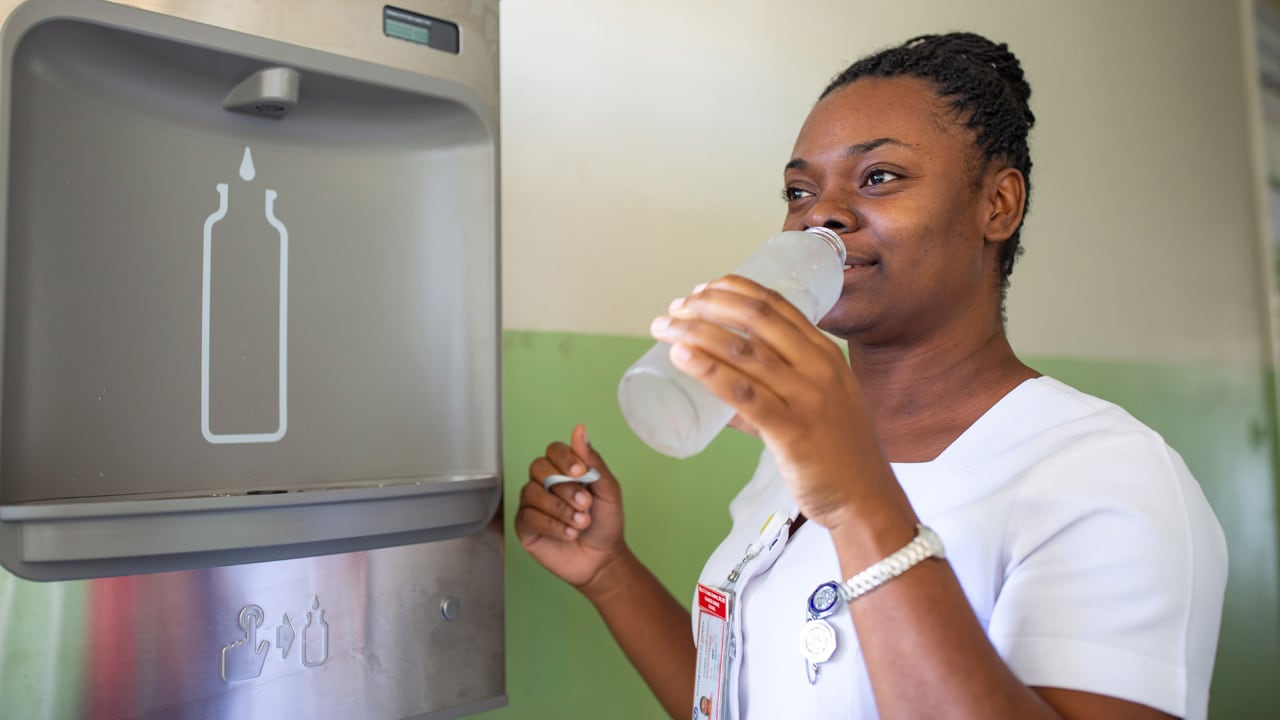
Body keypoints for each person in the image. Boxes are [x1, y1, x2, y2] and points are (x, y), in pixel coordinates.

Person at [515, 32, 1227, 720]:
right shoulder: (790, 457)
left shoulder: (1105, 476)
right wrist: (611, 576)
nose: (820, 213)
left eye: (879, 177)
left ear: (996, 204)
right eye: (799, 191)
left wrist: (860, 503)